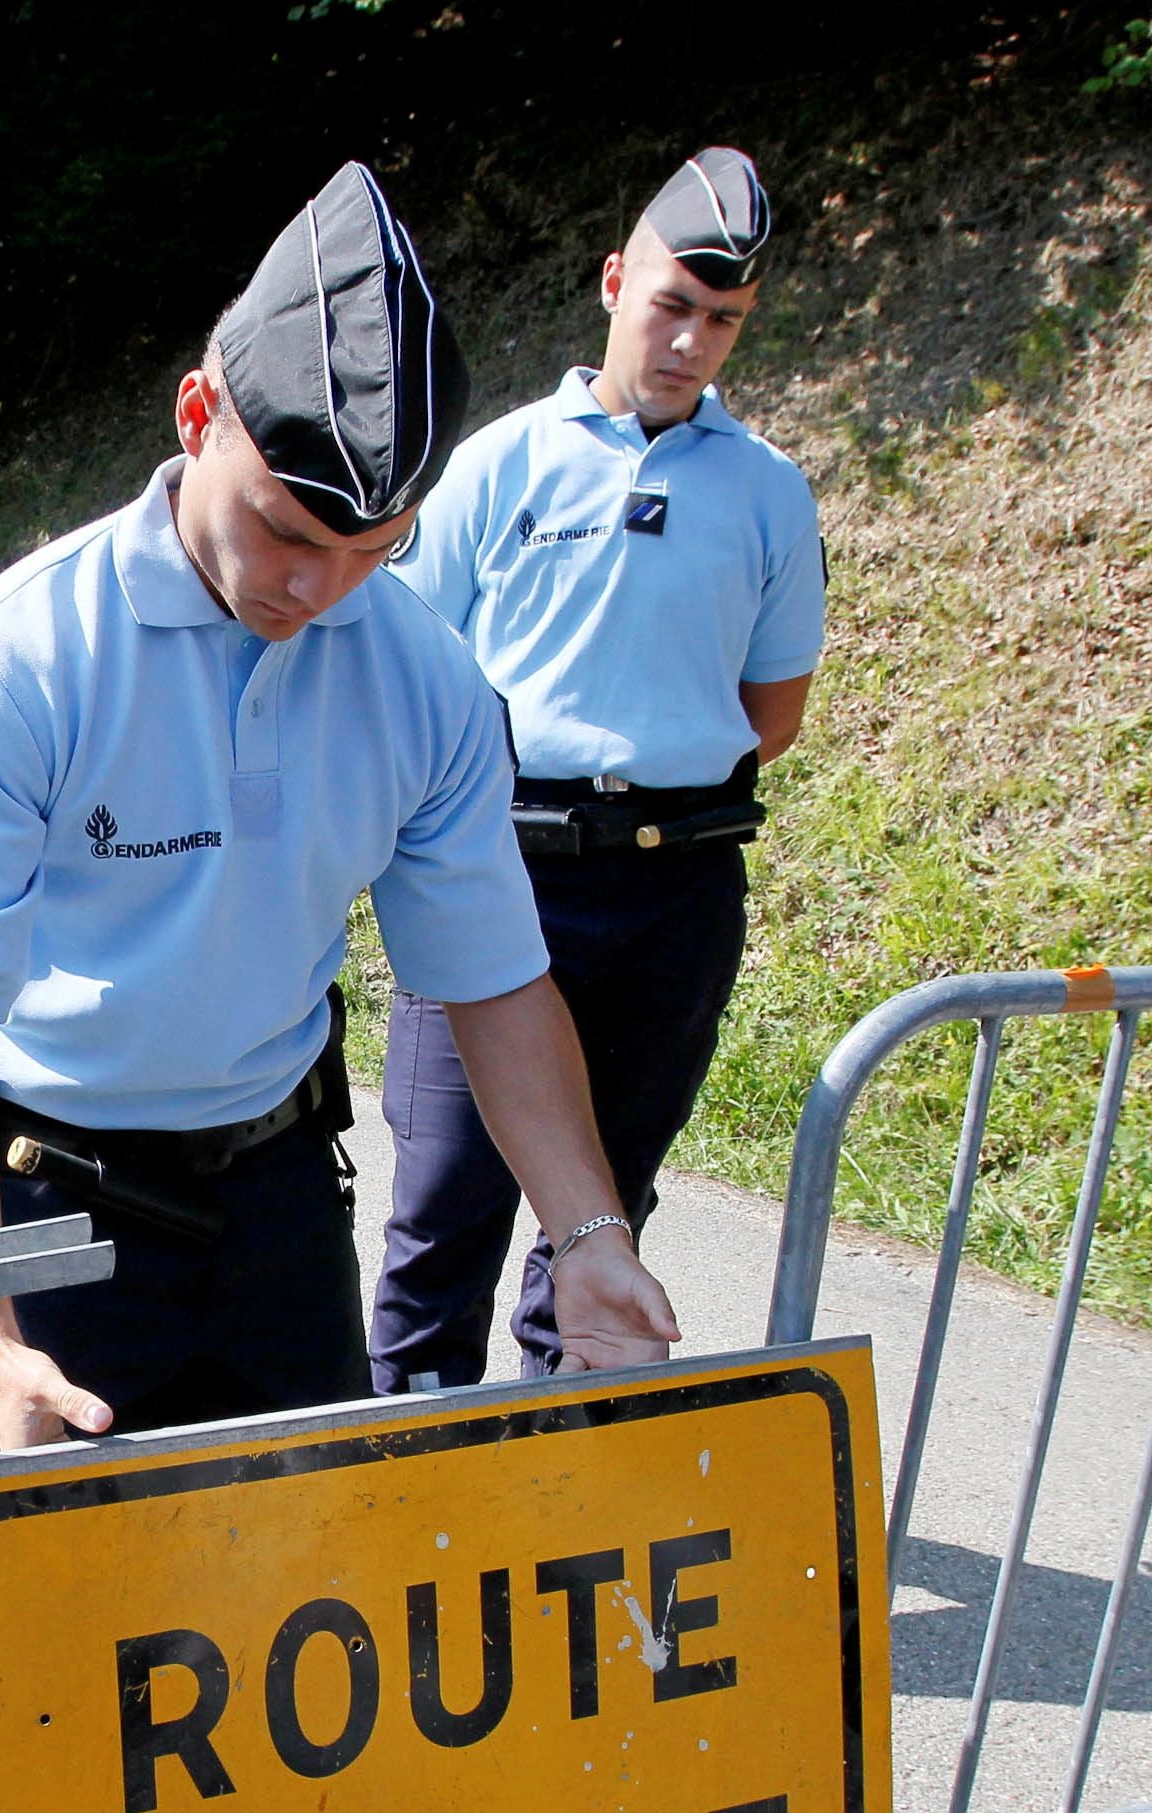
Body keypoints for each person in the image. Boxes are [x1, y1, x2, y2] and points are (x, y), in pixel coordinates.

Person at [0, 162, 680, 1456]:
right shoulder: (17, 661)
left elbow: (497, 985)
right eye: (288, 528)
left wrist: (588, 1235)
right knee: (59, 1636)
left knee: (316, 1607)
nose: (320, 588)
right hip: (53, 1213)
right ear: (199, 414)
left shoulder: (426, 680)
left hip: (282, 1205)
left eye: (378, 549)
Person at [368, 146, 823, 1390]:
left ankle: (551, 1478)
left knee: (601, 1216)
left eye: (721, 319)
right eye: (672, 303)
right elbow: (405, 668)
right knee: (441, 1223)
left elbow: (768, 709)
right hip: (498, 873)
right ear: (615, 281)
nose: (689, 340)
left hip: (674, 889)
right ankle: (407, 1487)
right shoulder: (501, 462)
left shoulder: (768, 493)